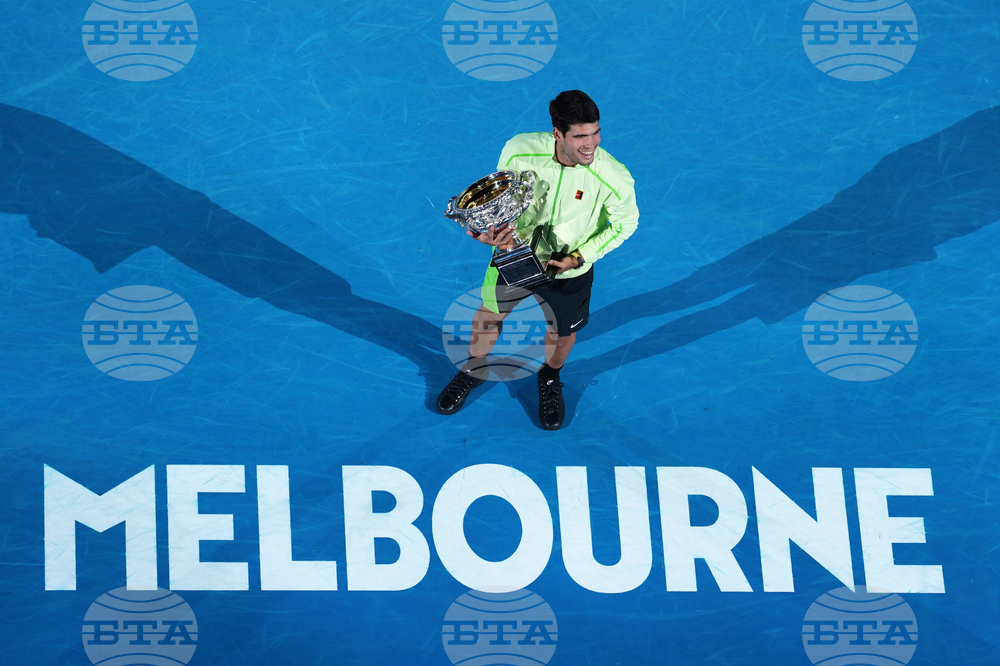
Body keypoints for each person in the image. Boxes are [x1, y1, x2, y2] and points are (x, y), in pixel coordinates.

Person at [436, 90, 639, 430]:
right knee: (487, 317)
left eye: (596, 132)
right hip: (515, 254)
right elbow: (503, 202)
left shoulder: (614, 178)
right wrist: (491, 232)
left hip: (568, 268)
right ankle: (473, 367)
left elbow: (626, 224)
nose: (591, 144)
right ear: (558, 133)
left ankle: (549, 377)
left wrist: (581, 256)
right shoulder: (519, 149)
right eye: (580, 136)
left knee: (560, 333)